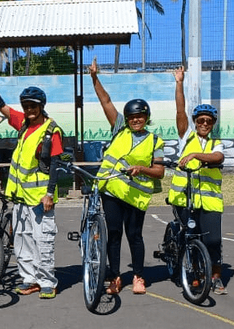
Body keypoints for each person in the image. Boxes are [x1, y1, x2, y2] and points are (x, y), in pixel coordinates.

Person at [88, 60, 166, 295]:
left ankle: (138, 277)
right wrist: (94, 78)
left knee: (134, 236)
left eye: (140, 116)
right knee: (114, 235)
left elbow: (160, 171)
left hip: (136, 196)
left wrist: (141, 169)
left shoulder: (155, 141)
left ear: (146, 117)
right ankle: (114, 277)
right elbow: (106, 102)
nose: (135, 120)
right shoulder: (119, 128)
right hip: (112, 191)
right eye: (132, 117)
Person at [0, 74, 63, 299]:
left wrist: (49, 194)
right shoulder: (23, 124)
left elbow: (56, 164)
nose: (29, 109)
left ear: (41, 107)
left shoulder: (50, 130)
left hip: (40, 199)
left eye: (33, 106)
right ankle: (29, 279)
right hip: (20, 197)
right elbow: (1, 107)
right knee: (22, 240)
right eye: (26, 106)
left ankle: (47, 281)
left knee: (43, 241)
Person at [168, 66, 227, 295]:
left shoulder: (215, 143)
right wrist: (179, 83)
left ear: (213, 124)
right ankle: (190, 271)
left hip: (210, 202)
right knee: (188, 235)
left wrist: (195, 156)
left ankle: (216, 276)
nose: (204, 124)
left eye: (208, 121)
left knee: (213, 241)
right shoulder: (186, 136)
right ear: (195, 121)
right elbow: (180, 110)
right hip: (184, 198)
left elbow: (218, 158)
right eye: (200, 120)